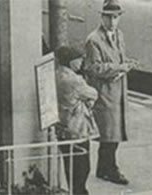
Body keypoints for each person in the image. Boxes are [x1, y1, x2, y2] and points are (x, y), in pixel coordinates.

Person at [83, 0, 138, 185]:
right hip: (105, 93)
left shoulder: (119, 35)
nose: (113, 22)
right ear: (102, 16)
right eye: (109, 17)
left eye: (116, 17)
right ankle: (109, 169)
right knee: (109, 135)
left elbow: (118, 57)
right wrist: (119, 67)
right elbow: (93, 68)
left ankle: (104, 168)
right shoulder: (94, 40)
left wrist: (126, 63)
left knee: (114, 133)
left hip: (117, 91)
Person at [55, 46, 99, 195]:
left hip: (62, 125)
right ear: (71, 61)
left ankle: (75, 190)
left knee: (69, 164)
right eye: (79, 59)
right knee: (82, 166)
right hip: (77, 129)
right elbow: (93, 93)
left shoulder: (57, 74)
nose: (81, 63)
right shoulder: (73, 80)